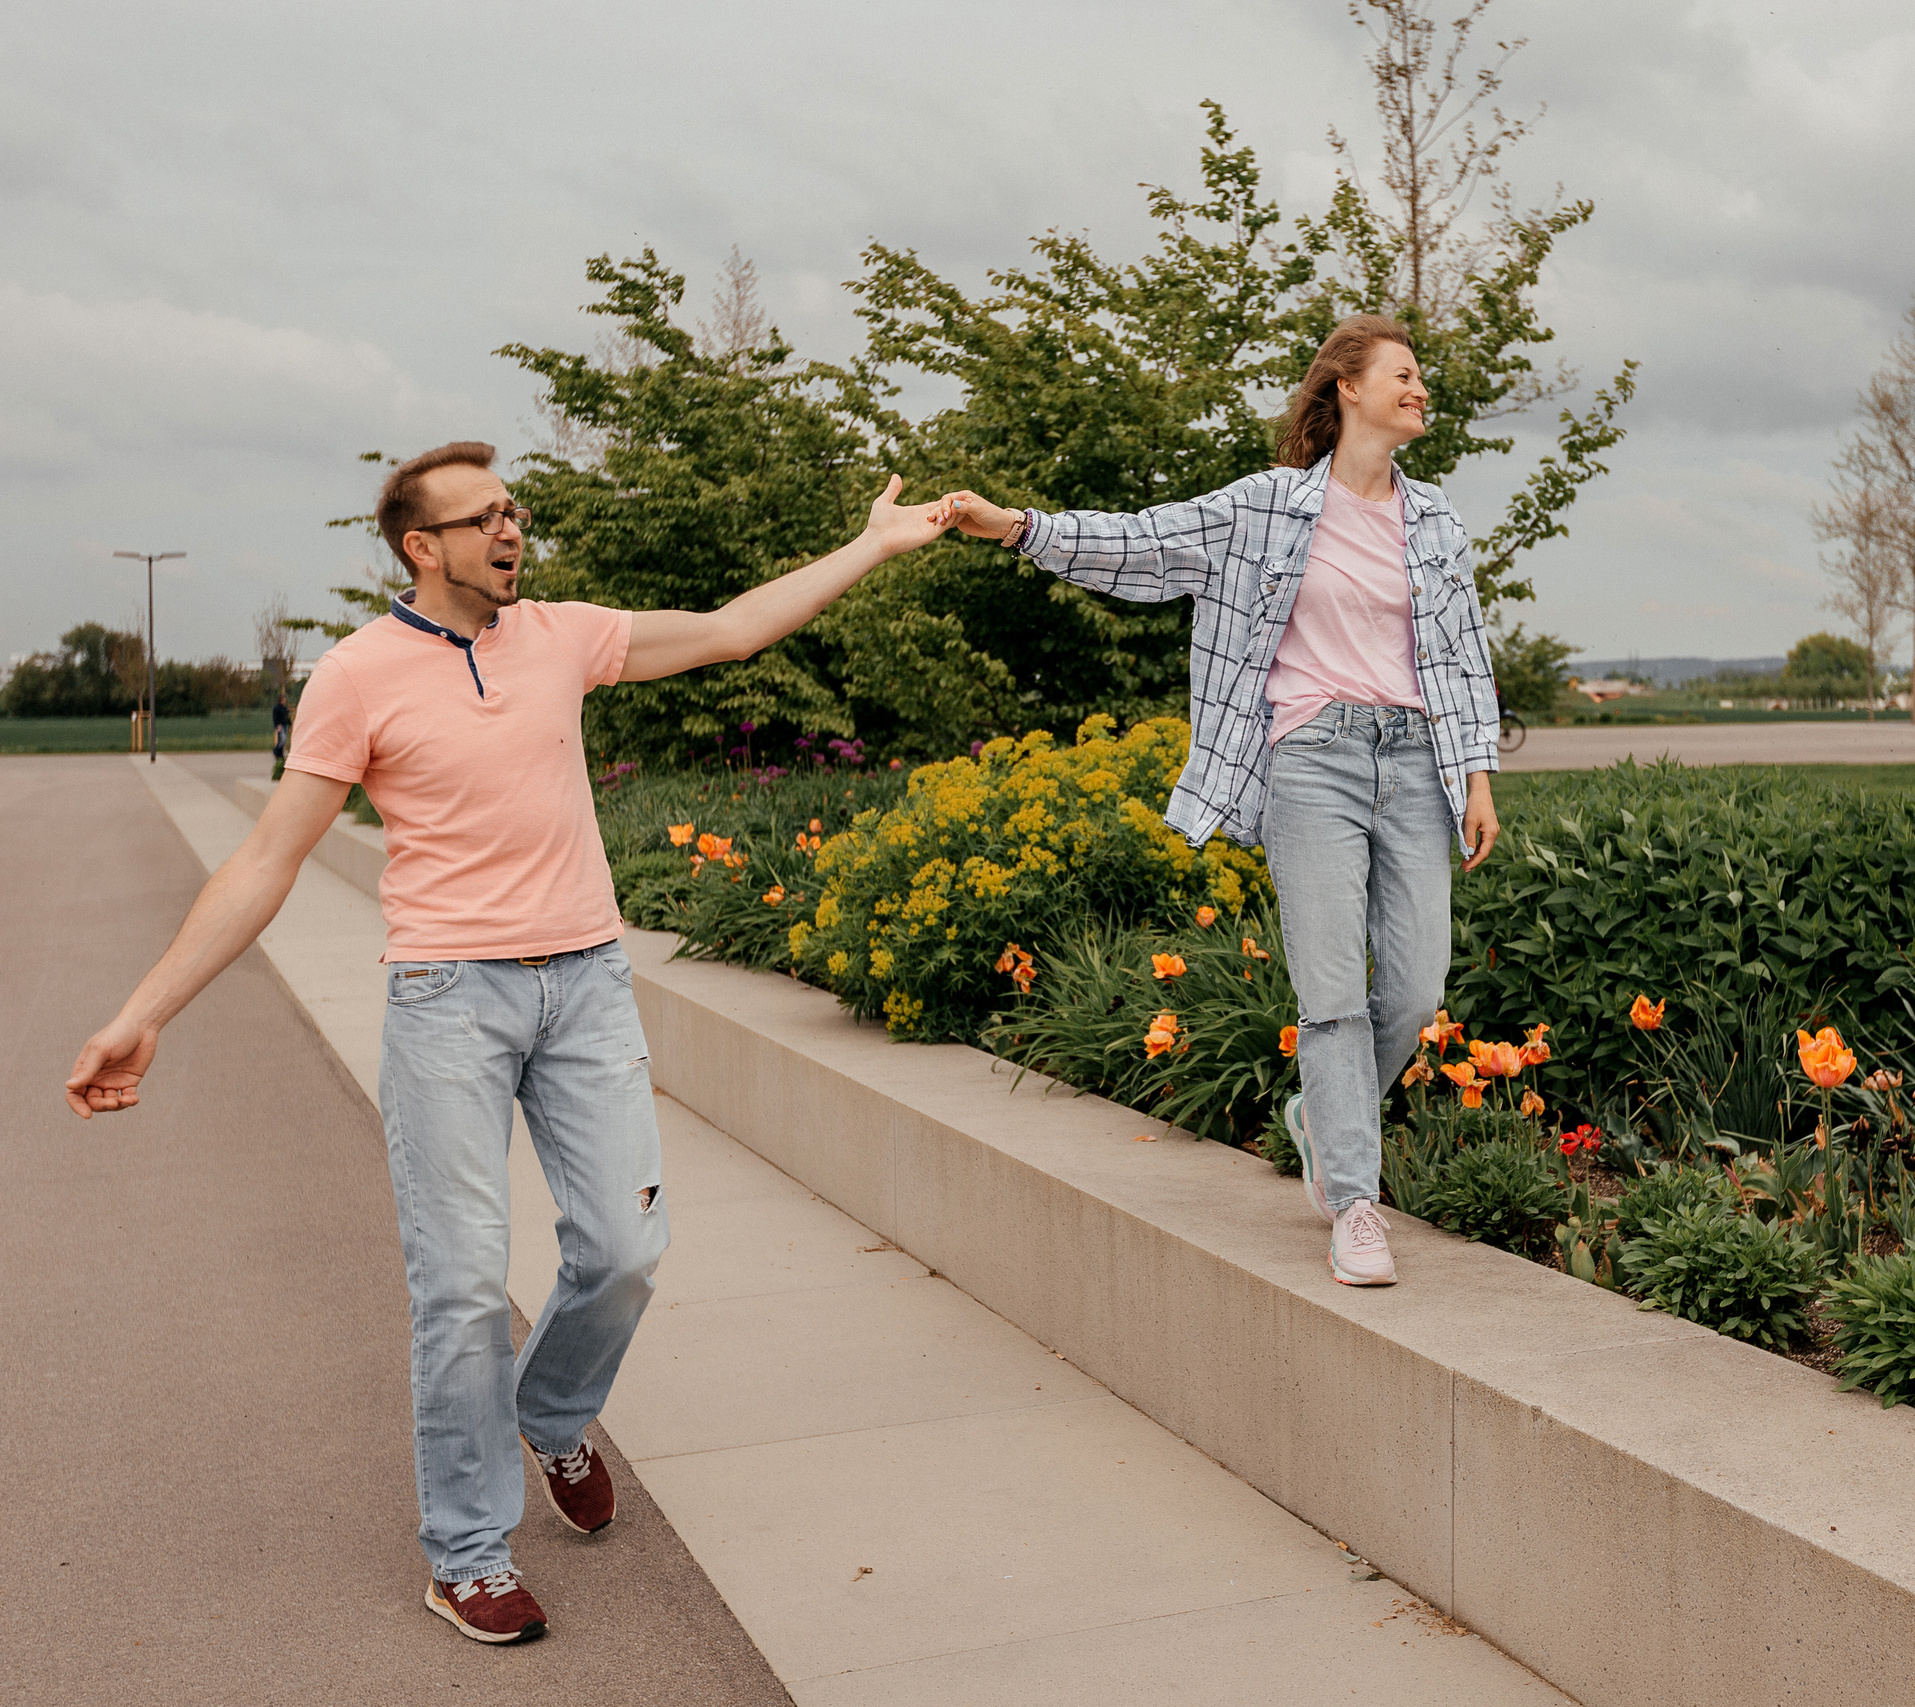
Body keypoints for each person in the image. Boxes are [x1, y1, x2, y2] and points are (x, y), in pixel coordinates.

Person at [65, 441, 948, 1645]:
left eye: (514, 511)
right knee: (464, 1286)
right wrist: (144, 1012)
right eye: (481, 520)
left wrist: (870, 546)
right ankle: (467, 1554)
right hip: (449, 1004)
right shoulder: (358, 677)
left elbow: (736, 628)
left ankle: (552, 1412)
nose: (511, 531)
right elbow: (268, 860)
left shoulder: (564, 634)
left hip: (584, 985)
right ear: (420, 548)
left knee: (627, 1248)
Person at [936, 314, 1502, 1289]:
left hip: (1414, 763)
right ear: (1347, 390)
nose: (1419, 389)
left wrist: (1476, 772)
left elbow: (1462, 655)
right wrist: (1020, 528)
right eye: (1402, 375)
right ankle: (1355, 1205)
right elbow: (1139, 545)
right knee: (1330, 996)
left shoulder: (1436, 520)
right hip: (1310, 760)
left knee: (1415, 992)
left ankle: (1321, 1119)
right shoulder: (1268, 508)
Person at [270, 690, 292, 764]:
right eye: (284, 700)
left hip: (285, 725)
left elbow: (287, 717)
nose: (285, 701)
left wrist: (290, 725)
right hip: (280, 725)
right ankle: (276, 751)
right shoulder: (277, 708)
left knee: (283, 741)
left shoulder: (284, 708)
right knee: (282, 739)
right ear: (281, 700)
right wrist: (277, 725)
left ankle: (280, 754)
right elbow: (275, 717)